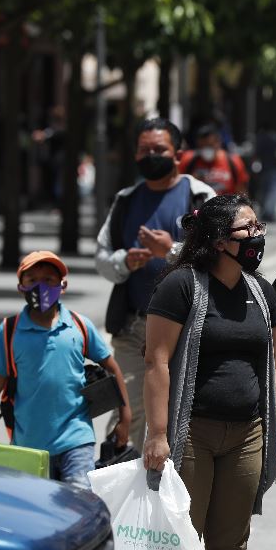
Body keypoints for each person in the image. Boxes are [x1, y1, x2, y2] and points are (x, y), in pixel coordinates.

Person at [143, 194, 276, 550]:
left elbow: (273, 363)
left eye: (258, 226)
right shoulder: (181, 286)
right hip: (192, 435)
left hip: (247, 434)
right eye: (248, 229)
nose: (257, 236)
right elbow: (157, 362)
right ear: (220, 240)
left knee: (231, 543)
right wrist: (157, 434)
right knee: (185, 541)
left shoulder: (261, 291)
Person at [95, 117, 216, 453]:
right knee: (126, 414)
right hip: (134, 327)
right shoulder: (126, 200)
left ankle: (172, 481)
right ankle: (118, 478)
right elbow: (102, 256)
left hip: (187, 327)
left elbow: (219, 257)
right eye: (143, 150)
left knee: (181, 415)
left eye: (159, 149)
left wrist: (171, 251)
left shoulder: (200, 197)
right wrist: (124, 262)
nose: (150, 156)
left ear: (178, 154)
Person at [0, 251, 130, 487]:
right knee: (36, 506)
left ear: (62, 285)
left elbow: (112, 367)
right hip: (29, 446)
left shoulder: (79, 326)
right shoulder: (10, 330)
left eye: (48, 280)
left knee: (78, 501)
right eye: (32, 280)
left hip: (76, 438)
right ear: (21, 287)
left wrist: (125, 417)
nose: (40, 287)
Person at [179, 123, 249, 196]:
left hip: (225, 202)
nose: (206, 149)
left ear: (218, 142)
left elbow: (241, 191)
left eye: (210, 145)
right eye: (202, 146)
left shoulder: (233, 161)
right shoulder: (188, 160)